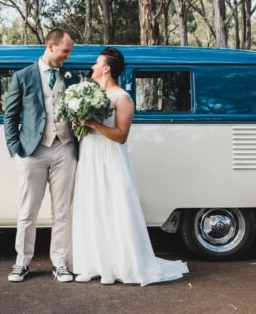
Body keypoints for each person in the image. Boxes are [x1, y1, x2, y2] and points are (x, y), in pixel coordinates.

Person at [71, 47, 189, 286]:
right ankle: (92, 264)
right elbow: (86, 128)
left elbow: (121, 135)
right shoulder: (89, 95)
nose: (92, 66)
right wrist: (79, 125)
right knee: (91, 207)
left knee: (114, 207)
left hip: (111, 157)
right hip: (90, 156)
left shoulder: (122, 98)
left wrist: (92, 124)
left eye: (96, 62)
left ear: (106, 68)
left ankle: (119, 266)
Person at [4, 28, 77, 283]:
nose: (68, 56)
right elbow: (10, 117)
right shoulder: (23, 76)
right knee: (28, 211)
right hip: (32, 151)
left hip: (64, 148)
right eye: (66, 50)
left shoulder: (72, 77)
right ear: (51, 46)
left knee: (62, 211)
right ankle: (21, 262)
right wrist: (16, 152)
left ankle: (60, 263)